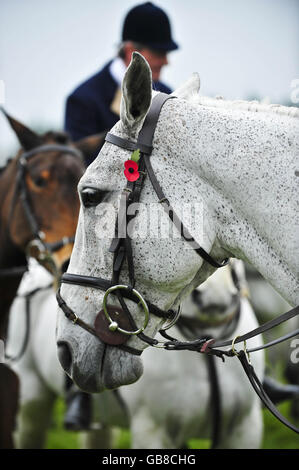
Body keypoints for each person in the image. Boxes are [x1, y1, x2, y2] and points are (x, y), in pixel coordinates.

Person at [64, 2, 179, 165]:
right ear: (131, 51)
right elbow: (81, 170)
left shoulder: (167, 95)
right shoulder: (83, 101)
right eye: (158, 53)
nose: (166, 61)